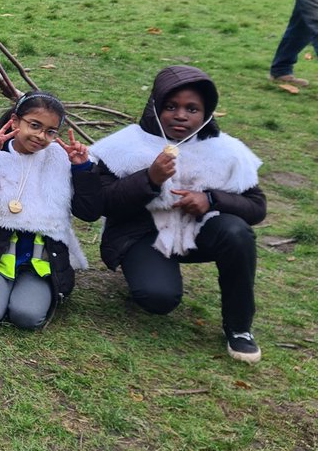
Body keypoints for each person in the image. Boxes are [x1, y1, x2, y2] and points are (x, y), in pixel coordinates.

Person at [80, 65, 265, 363]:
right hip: (141, 234)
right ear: (155, 107)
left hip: (199, 231)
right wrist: (149, 179)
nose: (181, 116)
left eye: (192, 109)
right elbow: (101, 203)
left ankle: (239, 327)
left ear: (207, 113)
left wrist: (211, 199)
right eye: (171, 107)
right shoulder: (125, 145)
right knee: (158, 298)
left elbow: (256, 207)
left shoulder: (226, 150)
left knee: (237, 233)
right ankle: (146, 271)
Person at [0, 91, 91, 330]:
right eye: (34, 125)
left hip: (40, 258)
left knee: (27, 316)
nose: (41, 136)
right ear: (15, 121)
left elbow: (89, 211)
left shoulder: (62, 160)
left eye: (50, 131)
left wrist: (83, 170)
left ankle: (30, 289)